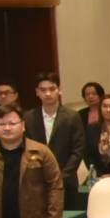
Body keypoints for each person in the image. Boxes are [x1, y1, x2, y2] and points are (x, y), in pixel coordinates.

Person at [26, 71, 86, 210]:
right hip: (37, 183)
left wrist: (62, 176)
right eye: (43, 90)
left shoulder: (72, 116)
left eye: (52, 89)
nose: (48, 93)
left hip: (66, 182)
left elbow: (78, 150)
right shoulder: (28, 117)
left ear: (59, 90)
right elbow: (26, 149)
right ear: (37, 92)